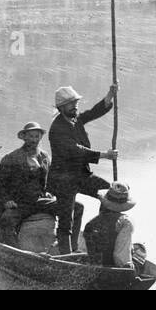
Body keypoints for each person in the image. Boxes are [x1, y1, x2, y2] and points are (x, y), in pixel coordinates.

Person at [47, 84, 117, 254]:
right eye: (71, 103)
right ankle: (66, 254)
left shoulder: (74, 119)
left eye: (76, 102)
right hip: (63, 180)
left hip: (81, 176)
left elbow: (93, 112)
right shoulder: (57, 128)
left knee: (111, 194)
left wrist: (110, 95)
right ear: (61, 107)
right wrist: (104, 155)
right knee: (66, 219)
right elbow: (75, 151)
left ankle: (103, 232)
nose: (75, 105)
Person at [0, 121, 55, 245]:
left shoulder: (44, 157)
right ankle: (11, 252)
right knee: (6, 220)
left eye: (36, 136)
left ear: (40, 137)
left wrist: (50, 192)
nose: (34, 140)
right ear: (24, 137)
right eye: (31, 136)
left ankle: (68, 248)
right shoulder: (11, 158)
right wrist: (6, 201)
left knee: (74, 207)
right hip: (20, 203)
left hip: (40, 201)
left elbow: (51, 182)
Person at [83, 182, 140, 268]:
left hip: (95, 266)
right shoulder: (125, 222)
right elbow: (121, 258)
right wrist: (128, 266)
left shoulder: (90, 224)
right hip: (113, 268)